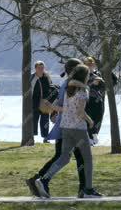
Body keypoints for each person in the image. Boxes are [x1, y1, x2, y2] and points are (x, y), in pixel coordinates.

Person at [35, 64, 102, 199]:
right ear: (84, 76)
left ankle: (44, 180)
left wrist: (52, 106)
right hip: (78, 129)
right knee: (88, 159)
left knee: (64, 158)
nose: (89, 76)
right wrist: (90, 121)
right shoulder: (83, 92)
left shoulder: (68, 89)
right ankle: (88, 190)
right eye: (88, 75)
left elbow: (64, 109)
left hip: (65, 127)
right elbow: (80, 112)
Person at [26, 58, 87, 198]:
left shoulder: (68, 84)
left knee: (63, 156)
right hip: (68, 126)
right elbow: (69, 106)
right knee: (74, 157)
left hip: (64, 125)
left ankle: (37, 179)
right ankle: (43, 180)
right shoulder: (70, 85)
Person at [84, 57, 106, 144]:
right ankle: (89, 136)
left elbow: (103, 86)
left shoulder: (98, 74)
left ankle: (95, 133)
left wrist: (100, 82)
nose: (90, 66)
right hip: (88, 99)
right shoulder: (83, 74)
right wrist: (92, 84)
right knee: (89, 118)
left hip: (98, 99)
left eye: (91, 64)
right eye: (88, 64)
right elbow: (83, 86)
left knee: (98, 117)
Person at [31, 61, 52, 141]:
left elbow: (51, 87)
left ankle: (45, 137)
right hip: (34, 103)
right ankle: (31, 137)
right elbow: (30, 90)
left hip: (45, 102)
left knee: (45, 121)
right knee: (34, 120)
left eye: (42, 68)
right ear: (35, 68)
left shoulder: (47, 77)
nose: (41, 69)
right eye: (39, 68)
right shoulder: (32, 77)